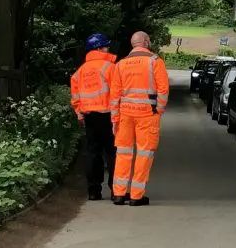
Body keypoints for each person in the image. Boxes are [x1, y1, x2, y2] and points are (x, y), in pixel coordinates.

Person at [108, 31, 169, 206]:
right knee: (144, 154)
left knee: (123, 153)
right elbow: (163, 89)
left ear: (133, 44)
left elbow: (115, 95)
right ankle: (136, 196)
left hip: (125, 115)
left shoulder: (121, 64)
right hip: (147, 115)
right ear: (146, 42)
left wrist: (115, 118)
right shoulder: (155, 62)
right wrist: (159, 110)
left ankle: (119, 194)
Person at [70, 33, 118, 201]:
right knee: (113, 153)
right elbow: (117, 93)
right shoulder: (110, 68)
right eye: (106, 46)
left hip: (89, 117)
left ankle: (93, 191)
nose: (108, 49)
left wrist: (79, 114)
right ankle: (116, 190)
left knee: (92, 152)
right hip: (109, 116)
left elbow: (75, 97)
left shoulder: (80, 72)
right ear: (99, 48)